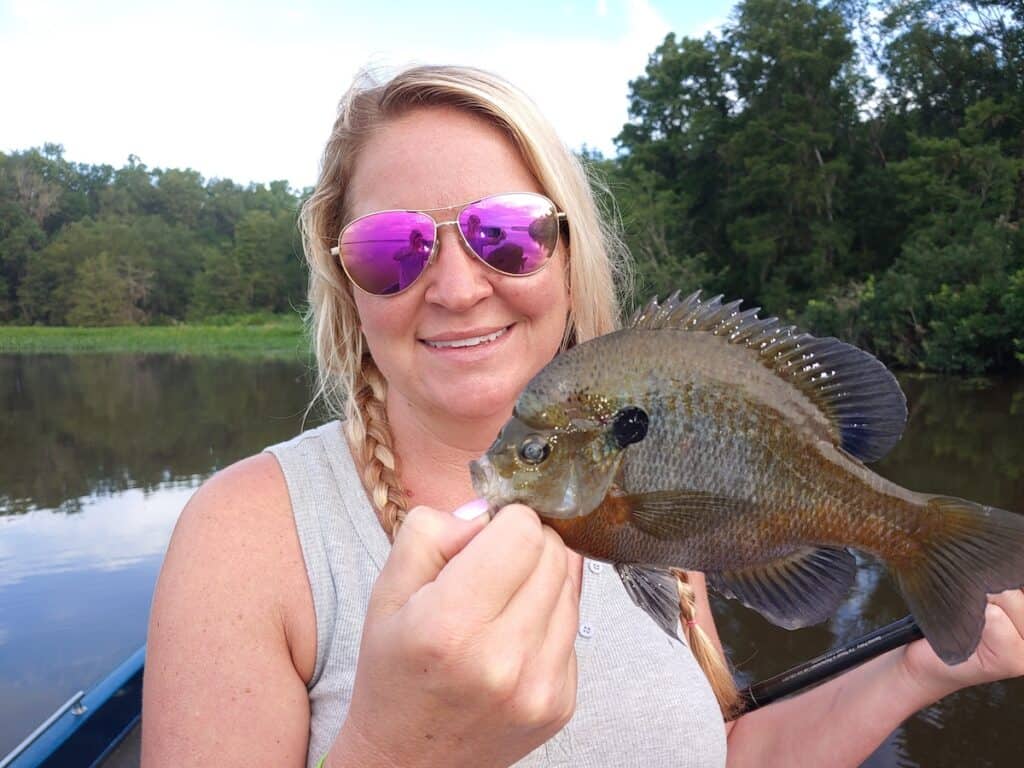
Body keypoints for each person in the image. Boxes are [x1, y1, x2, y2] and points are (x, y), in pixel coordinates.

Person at [141, 64, 1024, 767]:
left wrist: (917, 666)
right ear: (345, 281)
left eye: (507, 233)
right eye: (392, 247)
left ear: (567, 256)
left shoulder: (629, 514)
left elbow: (726, 755)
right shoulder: (245, 536)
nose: (455, 287)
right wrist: (392, 754)